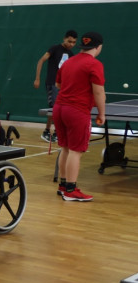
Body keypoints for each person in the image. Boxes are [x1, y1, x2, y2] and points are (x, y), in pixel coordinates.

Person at [53, 31, 106, 202]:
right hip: (77, 111)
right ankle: (70, 190)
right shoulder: (94, 64)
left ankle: (63, 186)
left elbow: (58, 84)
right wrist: (102, 113)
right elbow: (98, 92)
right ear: (98, 47)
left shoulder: (68, 62)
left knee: (66, 148)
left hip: (59, 108)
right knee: (76, 151)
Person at [34, 30, 77, 142]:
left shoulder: (71, 54)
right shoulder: (54, 48)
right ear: (64, 39)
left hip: (64, 86)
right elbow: (41, 61)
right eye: (69, 41)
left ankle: (57, 132)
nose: (71, 44)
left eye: (74, 42)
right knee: (54, 108)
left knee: (60, 109)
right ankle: (47, 132)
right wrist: (37, 78)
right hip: (52, 83)